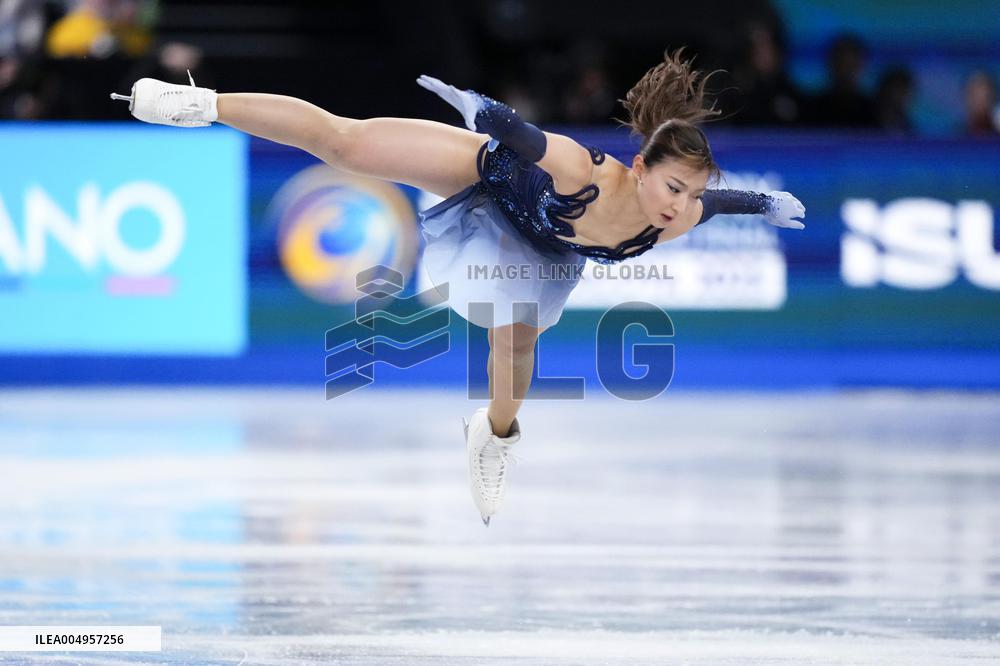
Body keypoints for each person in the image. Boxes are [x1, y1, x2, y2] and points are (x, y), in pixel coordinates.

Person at [111, 49, 805, 525]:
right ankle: (198, 103)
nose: (681, 204)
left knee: (516, 351)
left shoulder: (677, 220)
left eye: (692, 194)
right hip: (486, 173)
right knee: (345, 143)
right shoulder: (581, 169)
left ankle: (493, 437)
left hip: (543, 249)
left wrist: (763, 203)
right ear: (641, 168)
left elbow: (722, 202)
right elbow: (525, 138)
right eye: (674, 187)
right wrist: (481, 110)